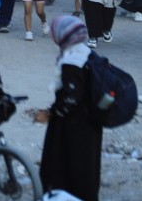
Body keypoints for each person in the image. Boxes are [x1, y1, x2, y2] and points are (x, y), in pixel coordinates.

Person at [35, 16, 102, 201]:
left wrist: (51, 114)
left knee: (68, 162)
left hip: (74, 124)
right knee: (87, 163)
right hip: (89, 121)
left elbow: (71, 97)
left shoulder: (72, 61)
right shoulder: (86, 53)